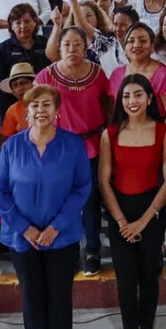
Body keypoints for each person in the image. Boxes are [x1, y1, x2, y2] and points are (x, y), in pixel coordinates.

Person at [0, 84, 93, 329]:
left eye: (47, 105)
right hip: (21, 238)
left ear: (57, 111)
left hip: (62, 235)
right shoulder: (12, 146)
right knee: (32, 294)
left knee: (59, 293)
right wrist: (25, 228)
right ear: (26, 110)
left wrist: (55, 227)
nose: (40, 110)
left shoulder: (72, 145)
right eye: (35, 105)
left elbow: (82, 188)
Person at [98, 75, 166, 329]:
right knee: (126, 279)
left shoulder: (162, 131)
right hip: (120, 212)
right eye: (127, 96)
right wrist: (120, 221)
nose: (132, 101)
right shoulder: (111, 133)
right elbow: (104, 181)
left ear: (150, 98)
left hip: (150, 212)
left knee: (148, 277)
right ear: (120, 100)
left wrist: (144, 220)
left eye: (138, 95)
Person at [34, 26, 111, 276]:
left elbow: (108, 104)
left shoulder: (98, 74)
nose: (72, 49)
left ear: (86, 46)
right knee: (59, 200)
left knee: (89, 199)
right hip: (59, 146)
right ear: (59, 47)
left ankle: (92, 249)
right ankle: (63, 248)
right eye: (67, 44)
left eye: (77, 44)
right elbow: (34, 107)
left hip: (92, 145)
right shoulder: (47, 75)